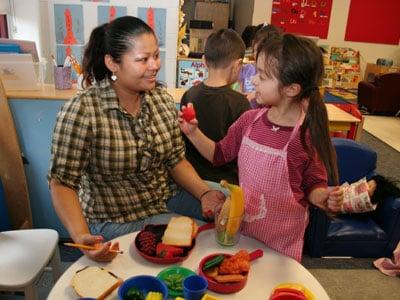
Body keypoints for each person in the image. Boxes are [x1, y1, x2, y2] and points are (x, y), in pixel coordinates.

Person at [48, 16, 225, 262]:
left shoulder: (160, 99)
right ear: (113, 63)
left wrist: (204, 193)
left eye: (156, 55)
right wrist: (80, 235)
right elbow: (61, 183)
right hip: (116, 218)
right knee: (199, 241)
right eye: (143, 59)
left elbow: (175, 160)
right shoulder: (83, 111)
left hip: (163, 198)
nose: (154, 65)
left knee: (227, 207)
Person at [179, 33, 344, 262]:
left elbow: (313, 184)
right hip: (244, 232)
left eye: (262, 76)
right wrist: (193, 133)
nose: (254, 80)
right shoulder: (249, 120)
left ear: (291, 89)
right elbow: (219, 154)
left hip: (282, 246)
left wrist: (322, 197)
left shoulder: (305, 135)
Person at [180, 29, 250, 184]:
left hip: (193, 181)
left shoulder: (189, 95)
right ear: (238, 64)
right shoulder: (241, 104)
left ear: (204, 61)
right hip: (226, 184)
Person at [239, 24, 282, 107]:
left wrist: (255, 95)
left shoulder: (274, 74)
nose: (257, 55)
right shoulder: (247, 68)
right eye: (255, 50)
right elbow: (240, 87)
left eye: (261, 51)